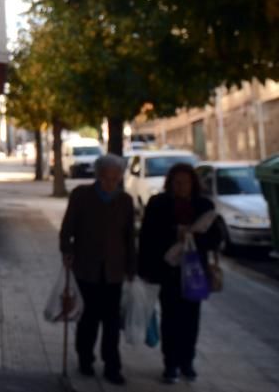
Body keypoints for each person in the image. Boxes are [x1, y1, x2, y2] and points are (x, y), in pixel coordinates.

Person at [138, 163, 222, 384]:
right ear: (170, 183)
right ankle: (170, 364)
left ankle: (188, 362)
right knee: (170, 318)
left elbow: (215, 239)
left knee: (191, 319)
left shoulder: (204, 206)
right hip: (168, 272)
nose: (180, 186)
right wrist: (174, 233)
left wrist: (193, 237)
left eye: (185, 182)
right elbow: (148, 236)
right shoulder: (158, 204)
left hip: (194, 272)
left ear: (193, 184)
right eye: (176, 182)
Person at [59, 154, 136, 386]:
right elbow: (67, 228)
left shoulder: (125, 200)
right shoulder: (81, 195)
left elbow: (130, 236)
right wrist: (66, 250)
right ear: (98, 175)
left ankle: (112, 366)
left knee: (112, 322)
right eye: (105, 177)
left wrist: (132, 266)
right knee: (88, 318)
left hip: (114, 270)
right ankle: (85, 358)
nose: (110, 182)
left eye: (115, 178)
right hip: (86, 267)